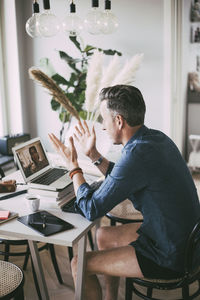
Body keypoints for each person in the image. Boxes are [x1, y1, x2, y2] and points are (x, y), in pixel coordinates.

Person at [49, 85, 200, 300]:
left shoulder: (136, 154)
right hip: (185, 240)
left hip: (171, 255)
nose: (102, 126)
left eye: (104, 119)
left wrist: (73, 167)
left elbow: (90, 209)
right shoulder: (155, 139)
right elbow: (123, 177)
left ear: (119, 121)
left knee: (78, 264)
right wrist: (93, 155)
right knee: (102, 235)